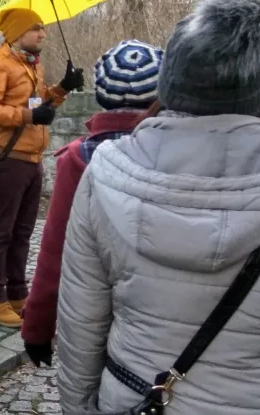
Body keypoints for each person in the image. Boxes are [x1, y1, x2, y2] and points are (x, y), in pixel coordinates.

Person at [57, 0, 260, 415]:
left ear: (170, 83)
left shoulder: (103, 174)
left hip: (137, 402)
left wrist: (77, 411)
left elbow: (80, 322)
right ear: (256, 91)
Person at [21, 39, 163, 366]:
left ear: (100, 96)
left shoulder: (79, 158)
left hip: (94, 314)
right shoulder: (177, 149)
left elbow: (57, 250)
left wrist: (37, 327)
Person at [0, 8, 84, 327]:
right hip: (9, 160)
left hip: (32, 160)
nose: (42, 34)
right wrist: (28, 117)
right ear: (17, 32)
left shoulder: (30, 64)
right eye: (35, 28)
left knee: (23, 232)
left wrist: (62, 88)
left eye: (43, 27)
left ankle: (18, 293)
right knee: (1, 232)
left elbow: (37, 103)